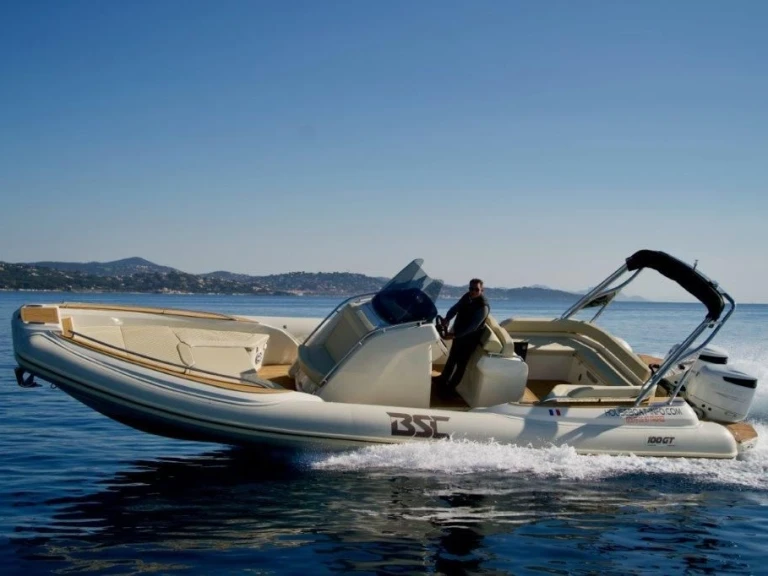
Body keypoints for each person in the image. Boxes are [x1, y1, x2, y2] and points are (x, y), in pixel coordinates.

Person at [435, 278, 490, 394]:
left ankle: (450, 389)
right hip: (459, 335)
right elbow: (455, 308)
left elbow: (473, 327)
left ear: (482, 290)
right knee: (452, 358)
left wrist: (454, 335)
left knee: (461, 364)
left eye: (476, 289)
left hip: (470, 339)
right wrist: (447, 319)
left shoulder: (483, 306)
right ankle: (443, 379)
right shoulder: (467, 297)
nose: (473, 291)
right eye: (471, 288)